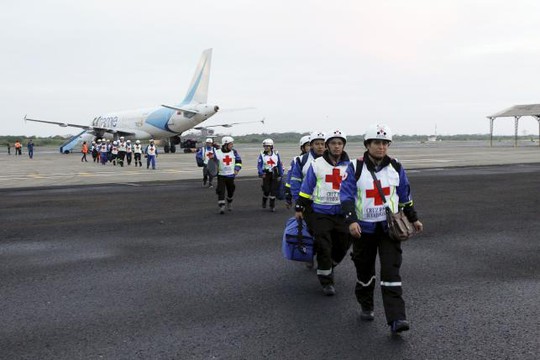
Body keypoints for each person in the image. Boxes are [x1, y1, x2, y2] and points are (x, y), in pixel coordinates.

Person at [340, 124, 424, 333]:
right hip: (363, 230)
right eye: (377, 143)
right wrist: (351, 221)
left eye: (385, 143)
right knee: (365, 272)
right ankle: (366, 304)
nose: (381, 147)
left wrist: (413, 218)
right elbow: (347, 196)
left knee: (391, 272)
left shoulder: (396, 166)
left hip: (389, 230)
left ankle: (397, 319)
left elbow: (405, 195)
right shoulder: (354, 167)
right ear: (367, 145)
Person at [295, 130, 352, 296]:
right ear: (327, 146)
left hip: (342, 213)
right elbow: (307, 188)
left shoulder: (350, 166)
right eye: (333, 143)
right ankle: (326, 281)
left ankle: (330, 265)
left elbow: (356, 189)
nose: (336, 146)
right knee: (323, 246)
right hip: (321, 212)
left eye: (340, 143)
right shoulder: (317, 164)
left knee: (342, 245)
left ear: (343, 146)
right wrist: (299, 207)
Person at [213, 136, 242, 214]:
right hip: (221, 175)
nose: (232, 145)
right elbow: (212, 164)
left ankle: (229, 201)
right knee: (220, 190)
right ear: (225, 144)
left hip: (231, 175)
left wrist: (237, 169)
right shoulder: (217, 152)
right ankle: (222, 205)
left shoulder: (234, 152)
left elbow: (239, 161)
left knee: (231, 189)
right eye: (230, 144)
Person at [257, 138, 284, 212]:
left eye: (268, 146)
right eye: (265, 146)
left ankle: (272, 206)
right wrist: (261, 173)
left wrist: (281, 174)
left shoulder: (276, 154)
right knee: (266, 190)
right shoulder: (262, 155)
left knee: (273, 190)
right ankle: (264, 200)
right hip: (266, 174)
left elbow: (279, 165)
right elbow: (259, 165)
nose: (266, 147)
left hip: (274, 173)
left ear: (271, 146)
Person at [284, 135, 311, 208]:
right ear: (302, 148)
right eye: (308, 145)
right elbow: (290, 180)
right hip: (302, 196)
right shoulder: (298, 160)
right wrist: (288, 197)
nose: (311, 147)